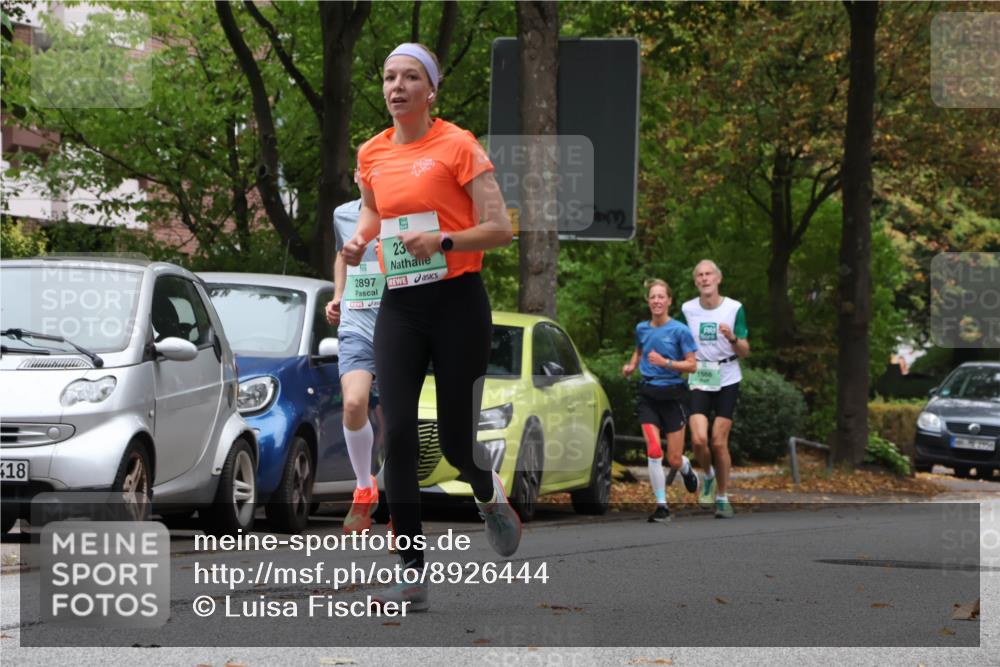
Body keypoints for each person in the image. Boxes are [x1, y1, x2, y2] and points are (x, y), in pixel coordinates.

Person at [341, 42, 517, 611]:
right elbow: (374, 209)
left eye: (410, 77)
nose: (397, 86)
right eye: (389, 76)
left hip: (459, 302)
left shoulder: (458, 146)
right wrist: (361, 238)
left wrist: (442, 239)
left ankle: (487, 494)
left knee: (458, 443)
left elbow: (499, 229)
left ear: (430, 90)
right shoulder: (372, 152)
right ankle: (411, 570)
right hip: (403, 303)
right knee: (397, 436)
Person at [326, 196, 385, 535]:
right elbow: (341, 255)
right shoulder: (343, 213)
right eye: (365, 172)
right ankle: (364, 486)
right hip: (356, 326)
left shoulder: (404, 209)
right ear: (358, 176)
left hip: (397, 327)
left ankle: (401, 519)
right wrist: (338, 295)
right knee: (353, 403)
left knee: (397, 425)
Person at [623, 279, 699, 523]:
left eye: (660, 297)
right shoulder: (641, 328)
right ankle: (662, 506)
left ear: (669, 301)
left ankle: (686, 469)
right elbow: (639, 349)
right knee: (654, 450)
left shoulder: (680, 331)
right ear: (648, 301)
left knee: (673, 459)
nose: (656, 301)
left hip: (673, 395)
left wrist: (666, 362)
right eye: (652, 297)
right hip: (648, 395)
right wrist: (632, 365)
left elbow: (692, 365)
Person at [679, 260, 750, 519]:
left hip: (728, 376)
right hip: (700, 374)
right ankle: (707, 476)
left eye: (709, 274)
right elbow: (678, 340)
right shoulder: (687, 310)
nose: (705, 278)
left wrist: (731, 337)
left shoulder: (734, 308)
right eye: (700, 275)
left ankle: (722, 496)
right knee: (698, 439)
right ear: (696, 281)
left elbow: (745, 351)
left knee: (719, 441)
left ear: (718, 279)